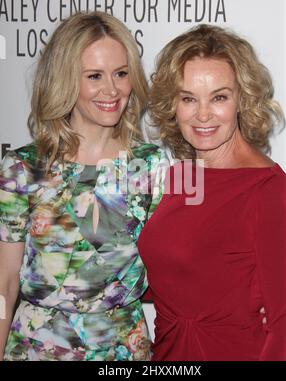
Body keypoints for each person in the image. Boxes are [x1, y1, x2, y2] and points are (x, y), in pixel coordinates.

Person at [0, 11, 166, 361]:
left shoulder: (150, 166)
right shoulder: (24, 169)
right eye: (94, 76)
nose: (112, 89)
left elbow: (177, 267)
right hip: (38, 348)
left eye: (121, 73)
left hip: (124, 349)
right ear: (65, 80)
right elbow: (5, 281)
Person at [138, 24, 286, 360]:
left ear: (243, 99)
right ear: (173, 104)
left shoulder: (269, 191)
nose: (203, 115)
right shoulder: (179, 177)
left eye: (219, 97)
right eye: (188, 98)